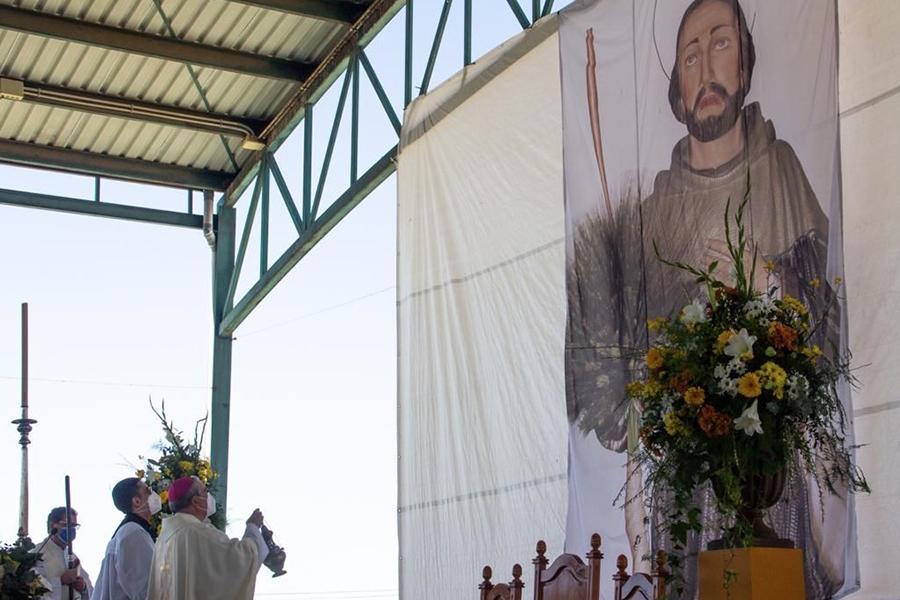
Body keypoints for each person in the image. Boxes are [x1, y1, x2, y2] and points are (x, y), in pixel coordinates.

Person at [568, 0, 844, 596]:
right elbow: (628, 370)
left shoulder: (781, 171)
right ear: (677, 85)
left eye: (720, 43)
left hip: (770, 467)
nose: (705, 66)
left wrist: (772, 289)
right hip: (685, 477)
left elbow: (826, 320)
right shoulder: (655, 212)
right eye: (690, 56)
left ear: (744, 63)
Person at [146, 476, 269, 600]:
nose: (207, 496)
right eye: (204, 491)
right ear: (195, 501)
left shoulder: (163, 539)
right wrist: (253, 527)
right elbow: (240, 558)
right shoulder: (196, 532)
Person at [94, 477, 162, 600]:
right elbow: (145, 590)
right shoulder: (133, 533)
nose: (153, 493)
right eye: (147, 490)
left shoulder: (129, 530)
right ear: (136, 501)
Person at [31, 507, 93, 600]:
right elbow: (32, 588)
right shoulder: (38, 553)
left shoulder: (73, 556)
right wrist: (60, 581)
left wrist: (83, 587)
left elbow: (91, 591)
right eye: (67, 525)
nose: (72, 530)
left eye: (74, 526)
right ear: (53, 526)